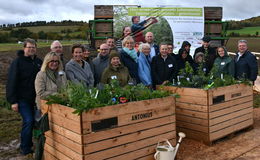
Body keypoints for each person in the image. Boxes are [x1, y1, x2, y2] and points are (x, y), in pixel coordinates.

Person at [6, 38, 42, 157]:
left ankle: (36, 143)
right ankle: (25, 148)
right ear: (24, 48)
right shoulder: (18, 62)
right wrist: (13, 101)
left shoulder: (38, 61)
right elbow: (11, 82)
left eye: (33, 47)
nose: (31, 49)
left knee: (38, 122)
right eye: (29, 47)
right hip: (22, 99)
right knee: (29, 121)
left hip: (36, 99)